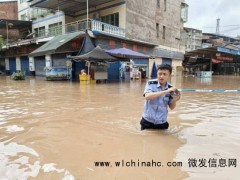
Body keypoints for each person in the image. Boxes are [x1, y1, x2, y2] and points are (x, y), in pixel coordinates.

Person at [140, 64, 181, 130]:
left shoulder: (171, 88)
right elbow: (147, 97)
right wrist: (166, 91)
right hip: (147, 121)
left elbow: (171, 107)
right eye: (160, 74)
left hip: (162, 122)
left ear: (169, 75)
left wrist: (175, 100)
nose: (161, 76)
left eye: (164, 74)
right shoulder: (150, 83)